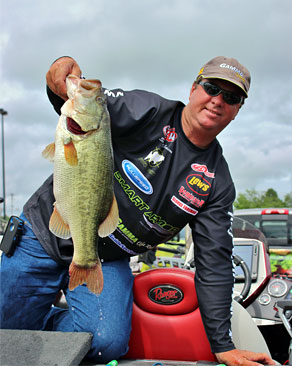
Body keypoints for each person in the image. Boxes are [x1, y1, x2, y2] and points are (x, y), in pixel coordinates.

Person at [0, 56, 275, 366]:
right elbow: (86, 107)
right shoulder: (147, 110)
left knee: (106, 343)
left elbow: (215, 263)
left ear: (238, 110)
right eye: (211, 88)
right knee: (6, 336)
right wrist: (62, 76)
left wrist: (222, 346)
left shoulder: (216, 181)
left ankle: (44, 327)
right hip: (42, 234)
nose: (218, 100)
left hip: (105, 257)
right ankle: (30, 323)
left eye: (231, 97)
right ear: (193, 88)